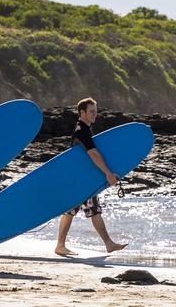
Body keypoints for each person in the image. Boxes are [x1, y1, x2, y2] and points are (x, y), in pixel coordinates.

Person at [54, 98, 127, 257]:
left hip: (84, 179)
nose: (95, 114)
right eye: (92, 111)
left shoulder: (85, 129)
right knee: (71, 211)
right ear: (82, 113)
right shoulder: (82, 131)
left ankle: (108, 244)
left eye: (96, 110)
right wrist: (107, 173)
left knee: (93, 211)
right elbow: (92, 154)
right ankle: (60, 245)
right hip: (79, 180)